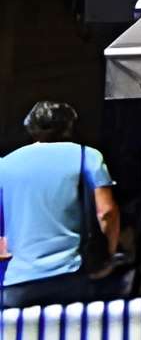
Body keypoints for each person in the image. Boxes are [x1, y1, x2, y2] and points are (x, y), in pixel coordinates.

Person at [0, 103, 123, 309]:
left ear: (30, 128)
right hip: (70, 276)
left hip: (18, 282)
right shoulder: (87, 156)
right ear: (69, 127)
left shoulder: (5, 164)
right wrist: (108, 256)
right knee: (71, 339)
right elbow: (106, 213)